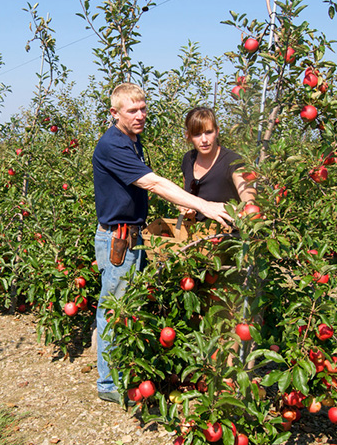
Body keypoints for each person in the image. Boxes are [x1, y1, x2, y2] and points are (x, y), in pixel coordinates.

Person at [92, 83, 234, 406]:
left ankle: (123, 370)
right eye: (133, 110)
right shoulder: (112, 145)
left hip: (132, 235)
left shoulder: (132, 140)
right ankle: (107, 382)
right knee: (114, 308)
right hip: (118, 239)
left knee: (131, 305)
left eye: (143, 108)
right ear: (114, 114)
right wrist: (205, 206)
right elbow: (153, 182)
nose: (141, 115)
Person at [180, 106, 255, 221]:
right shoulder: (188, 159)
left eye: (209, 132)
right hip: (195, 234)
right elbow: (187, 195)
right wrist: (186, 209)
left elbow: (247, 193)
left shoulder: (232, 162)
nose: (204, 140)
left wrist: (251, 209)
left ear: (217, 131)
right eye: (197, 134)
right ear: (188, 136)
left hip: (226, 235)